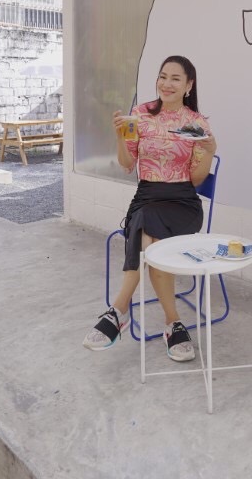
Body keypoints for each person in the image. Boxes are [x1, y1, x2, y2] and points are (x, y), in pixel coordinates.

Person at [82, 55, 218, 362]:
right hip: (146, 196)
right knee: (150, 234)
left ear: (189, 85)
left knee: (146, 229)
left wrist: (209, 152)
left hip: (182, 202)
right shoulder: (140, 115)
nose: (166, 84)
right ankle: (173, 323)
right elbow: (127, 164)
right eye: (162, 76)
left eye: (175, 79)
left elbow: (197, 180)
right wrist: (120, 137)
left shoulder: (195, 124)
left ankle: (118, 310)